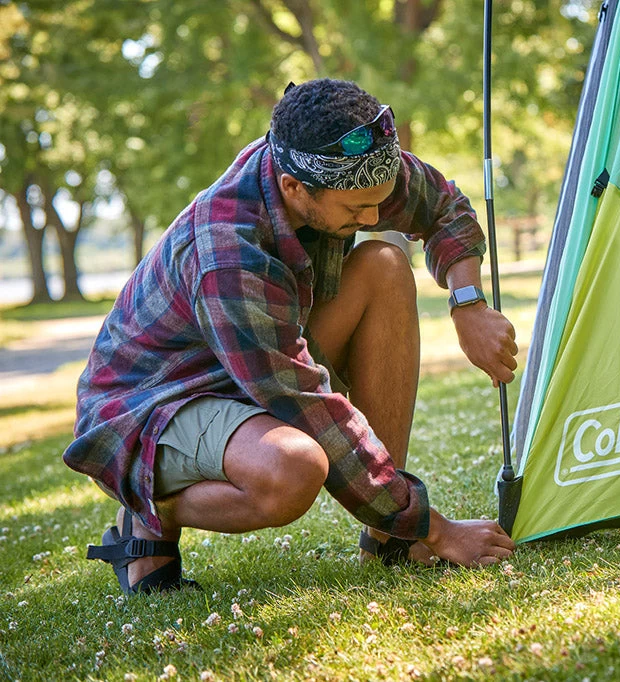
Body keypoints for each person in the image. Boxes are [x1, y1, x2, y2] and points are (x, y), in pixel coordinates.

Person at [64, 78, 518, 595]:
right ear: (294, 188)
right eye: (356, 211)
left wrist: (468, 305)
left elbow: (442, 206)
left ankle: (389, 537)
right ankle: (147, 507)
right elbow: (307, 406)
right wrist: (436, 529)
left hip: (250, 361)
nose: (373, 217)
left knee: (386, 266)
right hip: (156, 401)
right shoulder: (228, 251)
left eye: (378, 203)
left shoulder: (352, 168)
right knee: (294, 468)